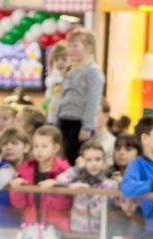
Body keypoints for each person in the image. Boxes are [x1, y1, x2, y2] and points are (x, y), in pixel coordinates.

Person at [10, 125, 72, 239]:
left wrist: (57, 185)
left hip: (56, 232)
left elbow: (64, 204)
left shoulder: (65, 172)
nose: (39, 150)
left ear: (55, 148)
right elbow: (18, 204)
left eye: (44, 146)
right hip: (31, 230)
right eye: (36, 146)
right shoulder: (24, 169)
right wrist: (19, 187)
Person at [57, 28, 105, 166]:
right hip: (64, 119)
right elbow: (64, 97)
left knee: (74, 157)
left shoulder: (93, 72)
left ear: (88, 48)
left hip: (78, 123)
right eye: (69, 45)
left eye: (75, 46)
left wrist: (87, 126)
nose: (70, 49)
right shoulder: (72, 70)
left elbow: (92, 101)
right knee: (62, 156)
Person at [49, 141, 118, 233]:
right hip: (77, 234)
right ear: (82, 160)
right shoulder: (78, 180)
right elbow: (60, 180)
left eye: (98, 159)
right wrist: (77, 167)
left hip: (100, 236)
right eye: (89, 160)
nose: (93, 164)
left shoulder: (110, 184)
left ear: (104, 161)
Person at [45, 40, 69, 125]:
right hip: (52, 116)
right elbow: (49, 99)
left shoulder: (71, 78)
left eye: (64, 59)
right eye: (56, 59)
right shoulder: (51, 79)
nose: (60, 62)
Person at [91, 98, 116, 166]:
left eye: (95, 114)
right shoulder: (79, 140)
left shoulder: (112, 144)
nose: (90, 118)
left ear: (106, 117)